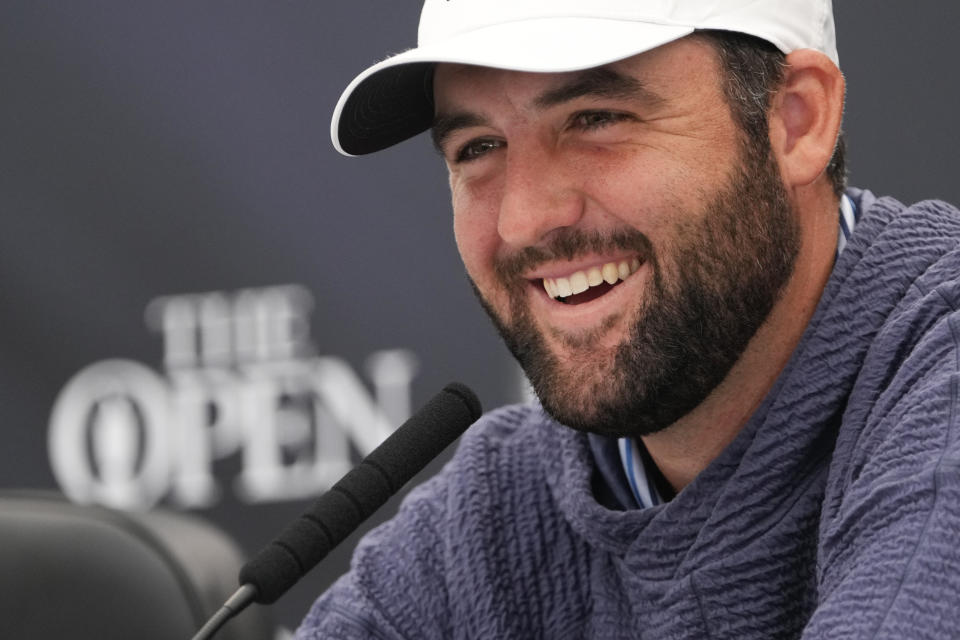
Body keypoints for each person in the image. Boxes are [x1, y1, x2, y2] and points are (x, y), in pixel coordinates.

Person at [299, 1, 960, 637]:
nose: (523, 219)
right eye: (478, 147)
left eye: (595, 118)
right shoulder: (496, 514)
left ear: (796, 120)